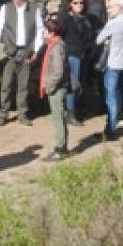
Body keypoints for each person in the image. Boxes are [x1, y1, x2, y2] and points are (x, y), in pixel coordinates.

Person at [0, 0, 45, 126]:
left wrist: (36, 50)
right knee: (6, 85)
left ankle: (23, 114)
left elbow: (40, 30)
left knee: (23, 86)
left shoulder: (34, 9)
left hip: (26, 51)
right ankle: (3, 113)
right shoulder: (5, 8)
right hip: (9, 52)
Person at [93, 0, 123, 139]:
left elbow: (98, 40)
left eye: (111, 7)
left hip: (114, 63)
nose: (109, 10)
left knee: (111, 95)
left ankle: (111, 128)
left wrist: (108, 39)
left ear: (118, 7)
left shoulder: (113, 22)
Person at [40, 16, 71, 160]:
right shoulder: (55, 45)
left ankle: (60, 149)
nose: (43, 33)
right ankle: (62, 147)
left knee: (58, 119)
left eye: (45, 31)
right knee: (59, 118)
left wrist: (49, 87)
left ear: (51, 32)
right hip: (56, 87)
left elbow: (58, 72)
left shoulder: (56, 47)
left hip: (56, 88)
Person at [61, 0, 94, 126]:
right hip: (72, 56)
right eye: (76, 2)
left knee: (80, 85)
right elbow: (58, 35)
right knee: (72, 86)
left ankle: (76, 110)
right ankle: (70, 114)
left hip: (84, 55)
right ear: (70, 4)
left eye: (81, 2)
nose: (79, 5)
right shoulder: (66, 19)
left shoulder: (85, 18)